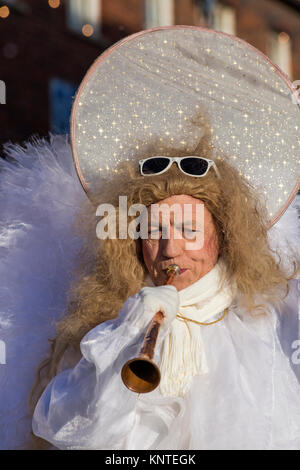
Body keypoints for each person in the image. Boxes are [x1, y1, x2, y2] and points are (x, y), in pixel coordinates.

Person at [0, 25, 299, 450]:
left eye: (189, 230)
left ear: (226, 236)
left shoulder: (269, 316)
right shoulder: (106, 323)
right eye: (153, 231)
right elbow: (64, 430)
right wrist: (124, 336)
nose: (169, 248)